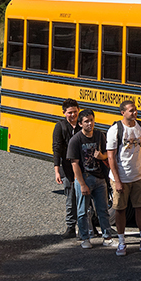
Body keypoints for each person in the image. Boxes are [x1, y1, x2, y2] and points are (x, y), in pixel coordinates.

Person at [106, 100, 141, 257]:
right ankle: (121, 241)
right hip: (121, 176)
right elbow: (111, 156)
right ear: (123, 112)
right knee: (120, 209)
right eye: (130, 111)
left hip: (138, 175)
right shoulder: (115, 129)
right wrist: (117, 180)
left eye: (135, 110)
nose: (134, 113)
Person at [66, 109, 114, 249]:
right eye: (86, 121)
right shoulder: (76, 140)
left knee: (103, 209)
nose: (90, 124)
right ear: (80, 124)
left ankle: (107, 237)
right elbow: (74, 163)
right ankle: (85, 238)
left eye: (91, 120)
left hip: (99, 178)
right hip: (85, 178)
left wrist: (102, 157)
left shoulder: (99, 135)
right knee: (83, 211)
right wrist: (81, 184)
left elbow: (106, 154)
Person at [52, 98, 81, 239]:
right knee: (71, 197)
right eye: (70, 113)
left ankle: (90, 226)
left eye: (75, 112)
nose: (73, 115)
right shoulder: (61, 127)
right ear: (64, 113)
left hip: (82, 168)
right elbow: (57, 148)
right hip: (67, 168)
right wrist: (57, 170)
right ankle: (70, 226)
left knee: (87, 198)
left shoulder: (83, 125)